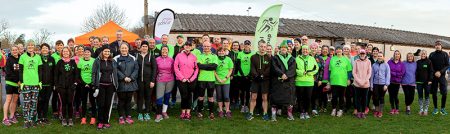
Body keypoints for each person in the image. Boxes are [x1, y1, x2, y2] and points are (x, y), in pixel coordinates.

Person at [92, 47, 118, 129]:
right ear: (102, 52)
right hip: (100, 85)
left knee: (108, 104)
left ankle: (106, 121)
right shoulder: (97, 61)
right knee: (101, 104)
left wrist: (115, 85)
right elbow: (94, 73)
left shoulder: (113, 61)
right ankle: (100, 121)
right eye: (105, 51)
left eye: (108, 51)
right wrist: (95, 85)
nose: (107, 53)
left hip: (110, 85)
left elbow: (115, 74)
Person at [18, 41, 43, 128]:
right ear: (26, 46)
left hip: (36, 83)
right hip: (26, 84)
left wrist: (40, 82)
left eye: (32, 45)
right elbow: (20, 71)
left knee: (34, 103)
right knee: (26, 103)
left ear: (34, 47)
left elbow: (40, 71)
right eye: (29, 45)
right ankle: (26, 120)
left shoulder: (38, 57)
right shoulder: (22, 57)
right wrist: (22, 82)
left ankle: (31, 120)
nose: (30, 46)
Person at [270, 42, 296, 121]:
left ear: (287, 49)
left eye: (285, 48)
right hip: (278, 81)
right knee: (275, 98)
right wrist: (281, 74)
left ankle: (289, 114)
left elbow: (293, 69)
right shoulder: (275, 58)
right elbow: (274, 67)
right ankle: (273, 115)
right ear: (280, 49)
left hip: (288, 81)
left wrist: (286, 75)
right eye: (282, 48)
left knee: (289, 99)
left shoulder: (292, 58)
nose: (284, 49)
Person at [114, 42, 139, 124]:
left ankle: (128, 116)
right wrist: (123, 77)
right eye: (122, 48)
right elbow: (115, 70)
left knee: (128, 101)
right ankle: (121, 117)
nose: (124, 49)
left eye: (125, 48)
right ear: (119, 49)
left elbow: (136, 69)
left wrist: (131, 78)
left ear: (128, 49)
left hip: (131, 83)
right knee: (121, 101)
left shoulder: (133, 58)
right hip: (121, 83)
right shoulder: (116, 58)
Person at [246, 40, 272, 121]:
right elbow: (252, 67)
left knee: (265, 97)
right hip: (255, 80)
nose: (263, 48)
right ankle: (250, 113)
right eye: (261, 46)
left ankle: (265, 113)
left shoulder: (268, 57)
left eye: (264, 47)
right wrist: (256, 75)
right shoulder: (253, 57)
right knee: (253, 97)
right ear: (258, 47)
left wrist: (263, 75)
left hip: (265, 80)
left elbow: (269, 69)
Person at [174, 41, 199, 120]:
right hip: (181, 80)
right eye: (186, 45)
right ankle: (183, 112)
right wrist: (182, 78)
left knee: (189, 96)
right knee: (184, 96)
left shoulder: (194, 56)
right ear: (184, 47)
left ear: (191, 47)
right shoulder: (179, 56)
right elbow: (176, 67)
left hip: (191, 80)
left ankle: (188, 113)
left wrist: (191, 79)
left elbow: (196, 69)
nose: (188, 46)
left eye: (189, 45)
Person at [55, 47, 79, 127]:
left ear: (69, 53)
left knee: (70, 102)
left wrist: (75, 83)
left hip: (71, 86)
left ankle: (70, 119)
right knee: (63, 103)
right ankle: (64, 118)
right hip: (61, 86)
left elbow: (76, 74)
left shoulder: (73, 62)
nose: (65, 53)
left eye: (67, 51)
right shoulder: (59, 62)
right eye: (64, 51)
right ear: (62, 53)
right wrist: (57, 85)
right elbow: (56, 75)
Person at [295, 45, 318, 119]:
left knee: (308, 98)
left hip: (309, 82)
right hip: (299, 81)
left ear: (309, 51)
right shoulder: (297, 58)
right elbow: (294, 69)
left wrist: (310, 73)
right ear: (301, 50)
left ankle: (307, 112)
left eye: (306, 50)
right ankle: (301, 112)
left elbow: (316, 68)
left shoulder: (312, 58)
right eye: (304, 49)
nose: (305, 51)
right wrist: (301, 72)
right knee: (300, 98)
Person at [196, 41, 218, 120]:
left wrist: (204, 66)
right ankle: (199, 112)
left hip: (211, 79)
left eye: (208, 46)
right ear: (202, 47)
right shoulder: (199, 55)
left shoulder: (214, 56)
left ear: (211, 47)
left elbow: (214, 66)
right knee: (201, 97)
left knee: (210, 97)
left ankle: (211, 113)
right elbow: (199, 66)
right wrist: (209, 66)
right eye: (205, 46)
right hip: (201, 79)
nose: (206, 48)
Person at [135, 41, 157, 122]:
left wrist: (152, 81)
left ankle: (147, 112)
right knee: (140, 97)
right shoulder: (137, 56)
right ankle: (140, 113)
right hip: (139, 81)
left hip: (149, 81)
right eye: (143, 46)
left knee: (148, 97)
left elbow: (154, 69)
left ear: (148, 48)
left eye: (146, 46)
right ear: (140, 47)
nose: (144, 48)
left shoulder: (151, 56)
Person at [329, 46, 352, 117]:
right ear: (335, 51)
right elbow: (330, 70)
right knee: (334, 96)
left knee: (342, 97)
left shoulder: (346, 59)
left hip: (343, 81)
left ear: (342, 51)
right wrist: (329, 80)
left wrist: (348, 79)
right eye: (337, 50)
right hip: (334, 81)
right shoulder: (332, 59)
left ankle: (341, 109)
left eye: (340, 50)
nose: (338, 51)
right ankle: (334, 109)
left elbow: (349, 71)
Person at [154, 46, 175, 122]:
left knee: (167, 96)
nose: (164, 51)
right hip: (160, 80)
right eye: (163, 49)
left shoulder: (171, 60)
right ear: (161, 51)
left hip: (170, 80)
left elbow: (173, 70)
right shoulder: (157, 59)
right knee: (159, 97)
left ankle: (164, 112)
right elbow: (155, 70)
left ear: (168, 51)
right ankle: (158, 114)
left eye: (166, 49)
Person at [36, 43, 55, 125]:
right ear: (41, 50)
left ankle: (45, 117)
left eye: (46, 48)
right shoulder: (38, 58)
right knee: (40, 100)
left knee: (47, 101)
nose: (45, 49)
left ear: (49, 49)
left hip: (49, 84)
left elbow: (54, 72)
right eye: (43, 48)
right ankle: (39, 117)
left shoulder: (52, 59)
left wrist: (54, 83)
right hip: (40, 84)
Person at [429, 41, 449, 115]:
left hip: (442, 76)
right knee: (434, 93)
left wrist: (440, 72)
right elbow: (430, 65)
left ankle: (443, 108)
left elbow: (447, 65)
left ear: (441, 46)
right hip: (434, 76)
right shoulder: (431, 54)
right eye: (436, 45)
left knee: (444, 93)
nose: (437, 46)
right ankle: (435, 108)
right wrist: (435, 72)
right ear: (435, 46)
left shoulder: (445, 54)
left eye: (439, 45)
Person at [77, 48, 97, 125]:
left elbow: (95, 73)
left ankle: (93, 117)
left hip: (92, 83)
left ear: (90, 53)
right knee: (84, 101)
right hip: (83, 84)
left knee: (92, 101)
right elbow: (78, 74)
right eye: (85, 52)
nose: (86, 53)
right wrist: (83, 83)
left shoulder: (94, 60)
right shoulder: (80, 61)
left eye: (88, 52)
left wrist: (91, 83)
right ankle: (83, 117)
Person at [2, 46, 20, 126]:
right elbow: (8, 72)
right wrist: (17, 81)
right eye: (13, 50)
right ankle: (5, 118)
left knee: (15, 100)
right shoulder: (9, 59)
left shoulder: (21, 58)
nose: (15, 51)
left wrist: (20, 81)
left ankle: (12, 116)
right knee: (8, 99)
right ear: (11, 51)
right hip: (10, 82)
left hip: (18, 84)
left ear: (18, 50)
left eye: (16, 50)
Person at [214, 47, 234, 118]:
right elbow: (214, 70)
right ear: (217, 52)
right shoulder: (215, 59)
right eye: (219, 51)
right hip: (217, 81)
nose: (221, 52)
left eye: (222, 51)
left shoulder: (228, 59)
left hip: (226, 81)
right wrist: (218, 79)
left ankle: (227, 110)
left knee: (226, 96)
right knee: (219, 96)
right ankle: (220, 110)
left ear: (225, 52)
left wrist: (225, 78)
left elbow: (230, 70)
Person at [352, 49, 372, 119]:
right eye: (361, 54)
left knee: (364, 99)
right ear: (359, 54)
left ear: (365, 54)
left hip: (365, 84)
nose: (362, 55)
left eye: (363, 54)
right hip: (357, 84)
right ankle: (358, 112)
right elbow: (354, 72)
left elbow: (369, 73)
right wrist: (359, 81)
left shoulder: (368, 62)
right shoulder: (356, 61)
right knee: (357, 98)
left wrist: (364, 81)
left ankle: (363, 112)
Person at [371, 53, 391, 118]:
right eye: (378, 56)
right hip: (375, 84)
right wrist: (371, 85)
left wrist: (386, 84)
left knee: (381, 98)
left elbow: (388, 75)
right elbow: (372, 76)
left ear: (383, 57)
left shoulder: (386, 65)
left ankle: (380, 111)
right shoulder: (374, 65)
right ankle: (376, 110)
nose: (379, 57)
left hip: (383, 84)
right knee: (375, 98)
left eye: (381, 56)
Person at [237, 40, 254, 113]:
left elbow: (253, 65)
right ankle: (242, 105)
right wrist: (243, 75)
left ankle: (246, 105)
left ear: (250, 46)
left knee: (247, 92)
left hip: (249, 76)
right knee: (241, 91)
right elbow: (238, 65)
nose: (247, 46)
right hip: (241, 75)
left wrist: (249, 74)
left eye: (248, 44)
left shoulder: (253, 54)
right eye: (245, 44)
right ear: (243, 46)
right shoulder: (240, 53)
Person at [387, 50, 405, 115]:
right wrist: (396, 74)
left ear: (400, 55)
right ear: (393, 55)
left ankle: (397, 109)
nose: (397, 55)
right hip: (390, 81)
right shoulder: (389, 62)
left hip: (397, 82)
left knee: (395, 96)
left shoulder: (402, 64)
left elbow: (402, 73)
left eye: (398, 54)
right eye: (395, 54)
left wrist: (394, 73)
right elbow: (388, 70)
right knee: (391, 96)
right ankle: (392, 108)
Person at [416, 50, 433, 116]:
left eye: (424, 54)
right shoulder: (418, 62)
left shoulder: (429, 62)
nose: (423, 55)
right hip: (419, 82)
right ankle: (421, 109)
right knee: (420, 96)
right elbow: (416, 72)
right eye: (422, 54)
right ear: (420, 54)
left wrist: (430, 80)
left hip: (427, 82)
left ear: (426, 54)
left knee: (427, 96)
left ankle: (426, 110)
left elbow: (431, 71)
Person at [51, 40, 64, 118]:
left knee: (61, 95)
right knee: (55, 95)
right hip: (55, 78)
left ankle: (60, 110)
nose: (59, 47)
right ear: (56, 46)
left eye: (61, 45)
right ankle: (55, 111)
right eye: (58, 45)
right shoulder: (53, 56)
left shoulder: (65, 54)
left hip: (63, 79)